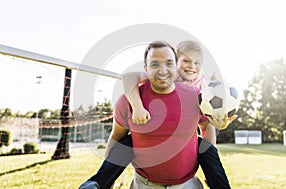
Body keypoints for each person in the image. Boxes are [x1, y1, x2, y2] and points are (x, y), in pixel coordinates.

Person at [79, 41, 232, 189]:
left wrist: (212, 169)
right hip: (144, 184)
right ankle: (97, 183)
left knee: (203, 145)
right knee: (127, 142)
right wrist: (137, 106)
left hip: (187, 183)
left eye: (168, 63)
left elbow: (208, 126)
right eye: (155, 64)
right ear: (146, 68)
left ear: (174, 64)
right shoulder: (130, 99)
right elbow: (116, 137)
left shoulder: (199, 95)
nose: (163, 70)